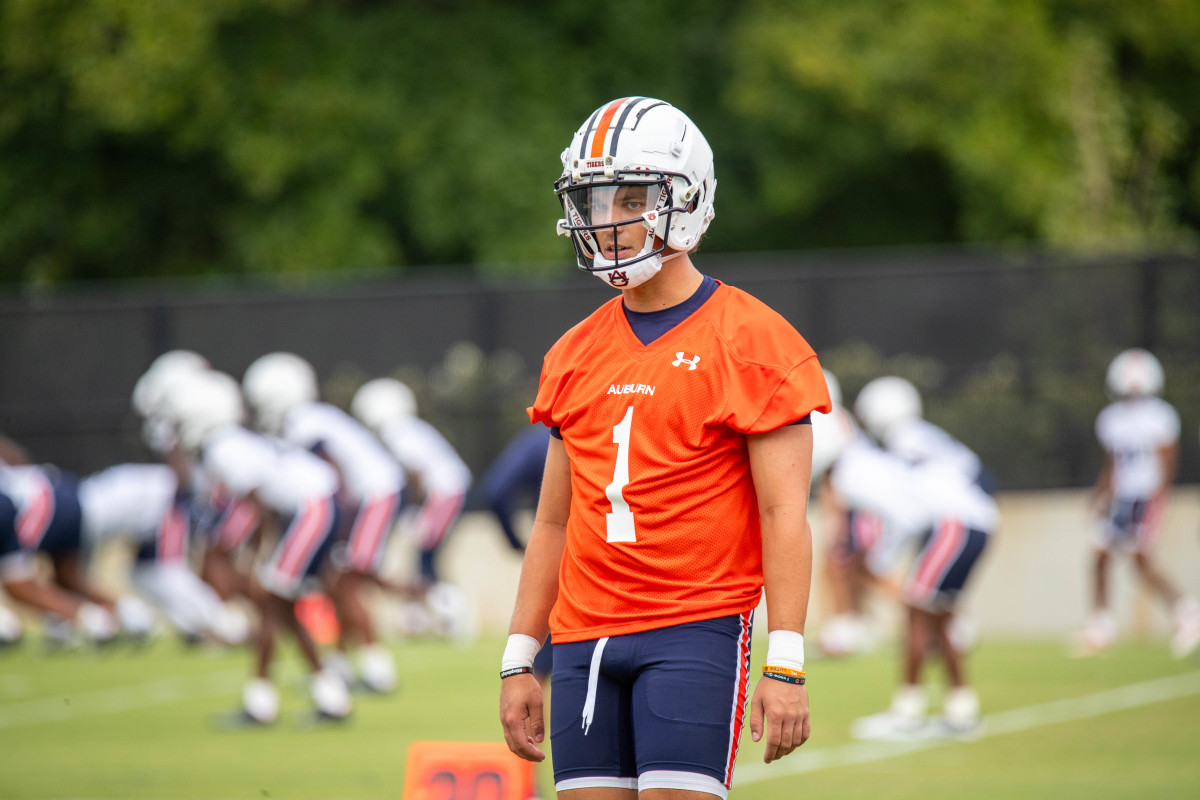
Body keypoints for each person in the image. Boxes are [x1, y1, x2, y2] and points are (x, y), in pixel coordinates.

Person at [498, 97, 830, 799]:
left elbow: (784, 517)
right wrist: (518, 656)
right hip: (583, 639)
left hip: (695, 629)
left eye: (632, 198)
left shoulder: (753, 339)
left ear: (687, 200)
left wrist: (787, 661)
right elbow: (554, 520)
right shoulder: (574, 351)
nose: (609, 222)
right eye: (594, 201)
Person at [170, 370, 352, 724]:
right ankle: (329, 696)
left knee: (272, 604)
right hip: (316, 506)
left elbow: (260, 505)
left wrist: (257, 557)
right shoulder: (233, 442)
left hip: (310, 510)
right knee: (281, 607)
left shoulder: (223, 448)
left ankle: (262, 703)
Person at [243, 353, 405, 693]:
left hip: (371, 497)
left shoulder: (305, 422)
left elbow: (335, 478)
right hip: (366, 497)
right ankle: (343, 665)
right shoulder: (313, 417)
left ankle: (378, 670)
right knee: (337, 583)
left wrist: (338, 532)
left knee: (346, 582)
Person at [1077, 348, 1199, 658]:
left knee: (1140, 560)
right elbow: (1114, 466)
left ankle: (1187, 612)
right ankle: (1101, 625)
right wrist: (1100, 494)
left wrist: (1158, 499)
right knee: (1100, 555)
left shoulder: (1161, 416)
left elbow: (1167, 462)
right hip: (1122, 497)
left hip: (1146, 497)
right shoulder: (1110, 419)